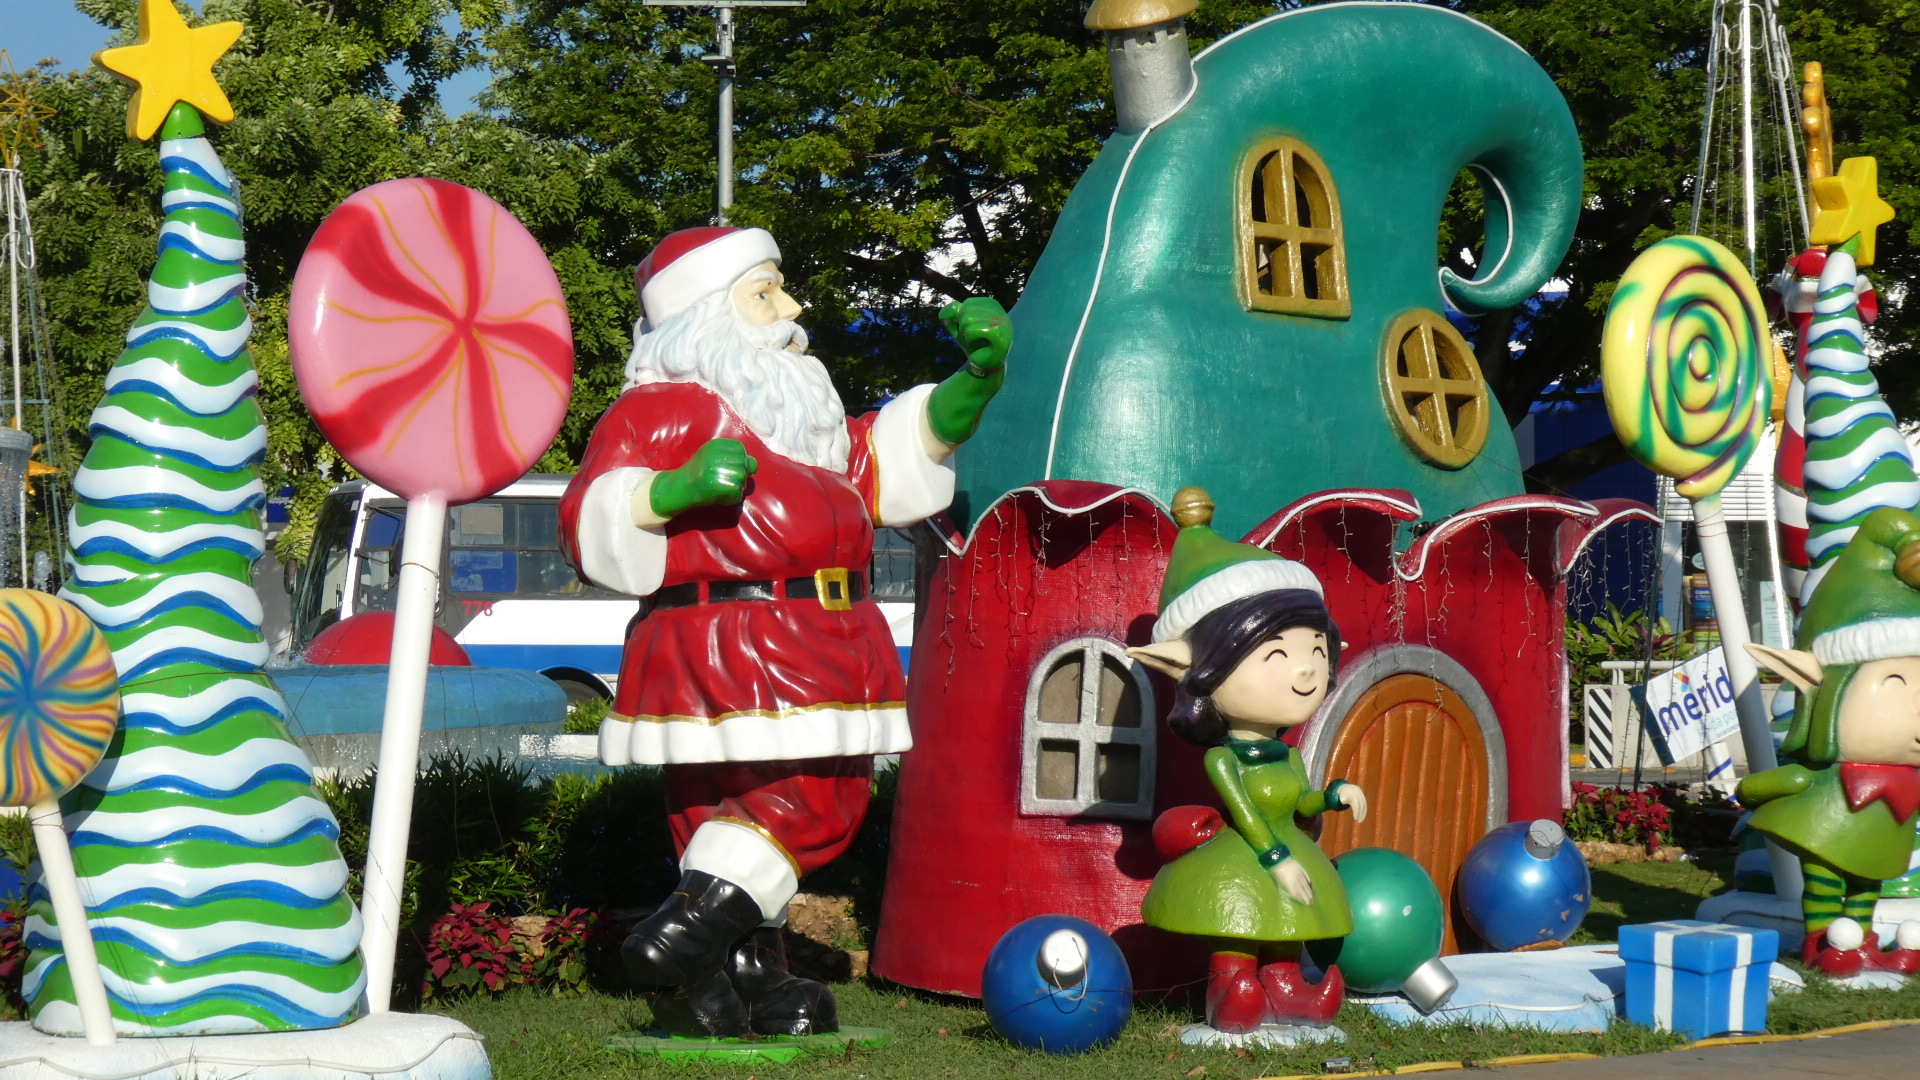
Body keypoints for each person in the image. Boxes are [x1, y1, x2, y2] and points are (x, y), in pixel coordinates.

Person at [558, 226, 1010, 1037]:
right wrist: (671, 492)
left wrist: (977, 379)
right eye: (765, 293)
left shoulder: (801, 420)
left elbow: (893, 455)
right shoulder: (663, 409)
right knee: (812, 799)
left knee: (718, 814)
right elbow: (587, 516)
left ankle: (733, 983)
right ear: (705, 313)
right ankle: (680, 937)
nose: (792, 309)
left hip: (804, 633)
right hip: (740, 636)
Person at [1129, 488, 1368, 1036]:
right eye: (1277, 654)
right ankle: (1231, 990)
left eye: (1316, 650)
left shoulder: (1287, 753)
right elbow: (1245, 813)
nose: (1306, 670)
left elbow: (1301, 800)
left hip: (1287, 847)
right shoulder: (1222, 760)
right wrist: (1278, 858)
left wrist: (1335, 794)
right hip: (1248, 856)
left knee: (1285, 927)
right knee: (1238, 921)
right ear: (1201, 670)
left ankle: (1286, 989)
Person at [1743, 506, 1920, 977]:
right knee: (1823, 879)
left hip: (1884, 825)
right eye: (1897, 685)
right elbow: (1765, 787)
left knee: (1868, 880)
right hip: (1827, 814)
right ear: (1827, 691)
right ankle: (1821, 939)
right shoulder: (1818, 772)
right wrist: (1756, 790)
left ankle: (1862, 939)